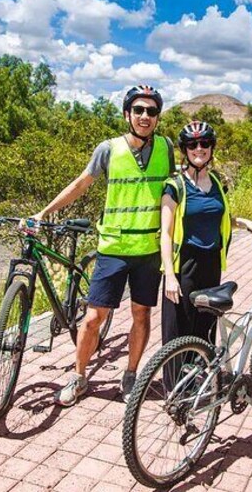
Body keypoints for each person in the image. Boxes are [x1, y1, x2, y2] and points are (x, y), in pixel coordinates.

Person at [29, 84, 174, 406]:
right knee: (94, 318)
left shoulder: (166, 148)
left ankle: (132, 374)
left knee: (141, 314)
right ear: (127, 114)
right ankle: (79, 377)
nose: (145, 116)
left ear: (157, 117)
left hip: (148, 250)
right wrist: (44, 212)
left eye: (151, 111)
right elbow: (81, 183)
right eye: (138, 110)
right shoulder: (108, 149)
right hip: (113, 248)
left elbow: (177, 191)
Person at [160, 121, 232, 347]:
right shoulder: (175, 186)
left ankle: (202, 379)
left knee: (205, 327)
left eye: (204, 143)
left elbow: (214, 215)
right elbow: (166, 234)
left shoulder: (218, 182)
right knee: (179, 331)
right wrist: (170, 277)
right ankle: (175, 382)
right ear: (185, 149)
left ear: (211, 148)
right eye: (192, 144)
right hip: (185, 267)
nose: (199, 148)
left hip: (211, 264)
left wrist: (243, 223)